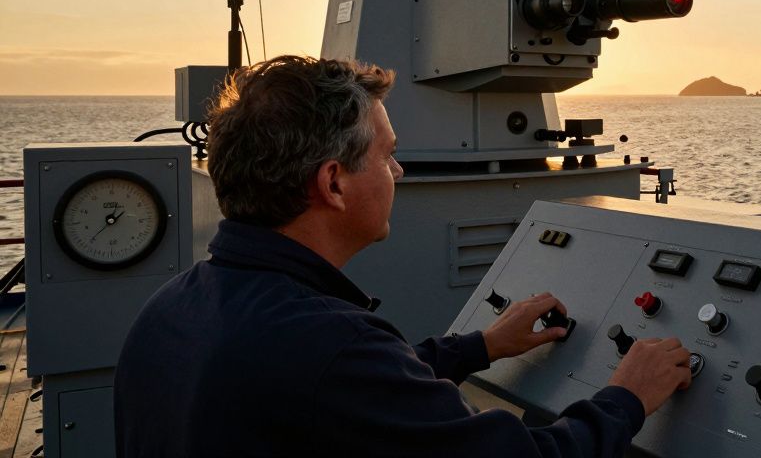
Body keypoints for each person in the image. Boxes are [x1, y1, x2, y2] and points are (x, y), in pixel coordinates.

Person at [114, 55, 692, 457]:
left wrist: (480, 347)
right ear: (334, 185)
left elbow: (345, 391)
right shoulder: (332, 348)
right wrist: (628, 396)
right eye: (387, 156)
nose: (399, 172)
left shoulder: (171, 309)